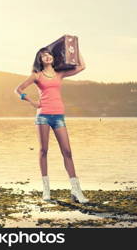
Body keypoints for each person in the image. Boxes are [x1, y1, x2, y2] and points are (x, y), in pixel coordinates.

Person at [14, 47, 89, 203]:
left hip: (59, 116)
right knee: (43, 150)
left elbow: (82, 67)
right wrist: (31, 101)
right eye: (43, 56)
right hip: (43, 116)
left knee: (67, 152)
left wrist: (75, 47)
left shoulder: (60, 73)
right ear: (40, 60)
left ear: (53, 57)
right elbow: (18, 89)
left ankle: (76, 190)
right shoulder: (37, 75)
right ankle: (46, 190)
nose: (47, 57)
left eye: (48, 54)